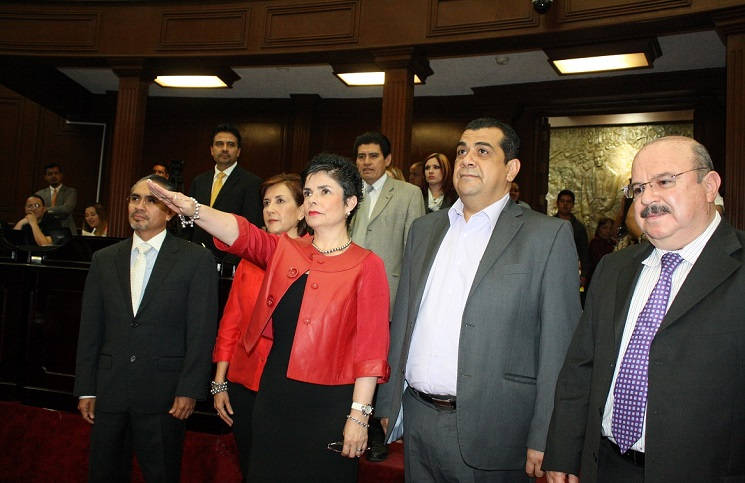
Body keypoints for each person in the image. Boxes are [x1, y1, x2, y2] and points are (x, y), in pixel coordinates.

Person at [148, 153, 390, 482]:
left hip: (330, 404)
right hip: (274, 396)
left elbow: (371, 351)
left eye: (325, 191)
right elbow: (243, 234)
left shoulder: (367, 264)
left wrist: (359, 416)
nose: (313, 200)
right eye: (308, 192)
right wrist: (194, 208)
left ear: (350, 203)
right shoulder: (286, 250)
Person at [377, 118, 582, 482]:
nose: (467, 159)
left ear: (511, 169)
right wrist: (388, 401)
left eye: (483, 151)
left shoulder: (546, 236)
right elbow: (404, 320)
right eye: (461, 151)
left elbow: (559, 348)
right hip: (417, 419)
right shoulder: (424, 230)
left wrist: (548, 434)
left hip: (497, 431)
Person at [543, 136, 745, 483]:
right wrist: (563, 452)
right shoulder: (613, 269)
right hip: (604, 466)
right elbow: (581, 368)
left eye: (664, 181)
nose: (647, 199)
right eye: (638, 189)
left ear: (710, 186)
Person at [74, 175, 218, 483]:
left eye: (151, 200)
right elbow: (90, 329)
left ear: (170, 211)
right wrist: (86, 387)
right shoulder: (103, 259)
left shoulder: (196, 260)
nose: (139, 206)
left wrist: (189, 389)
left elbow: (201, 331)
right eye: (134, 198)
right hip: (110, 391)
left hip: (165, 395)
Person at [211, 173, 307, 479]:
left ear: (302, 210)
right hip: (244, 382)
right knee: (251, 467)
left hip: (290, 385)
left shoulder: (316, 260)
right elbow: (231, 322)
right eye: (266, 203)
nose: (270, 209)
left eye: (280, 201)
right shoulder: (248, 260)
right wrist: (220, 381)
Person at [349, 131, 425, 461]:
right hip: (348, 293)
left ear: (388, 159)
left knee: (382, 365)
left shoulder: (408, 193)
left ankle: (379, 432)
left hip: (389, 294)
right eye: (361, 156)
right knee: (350, 361)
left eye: (373, 156)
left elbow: (415, 250)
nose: (366, 162)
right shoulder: (347, 191)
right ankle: (350, 423)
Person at [188, 123, 263, 267]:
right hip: (196, 258)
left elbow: (251, 226)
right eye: (219, 144)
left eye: (231, 145)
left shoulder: (252, 183)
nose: (224, 149)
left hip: (230, 261)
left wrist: (230, 262)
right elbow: (188, 221)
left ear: (238, 151)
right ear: (211, 150)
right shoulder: (199, 181)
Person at [555, 189, 591, 289]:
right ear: (557, 203)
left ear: (573, 205)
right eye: (562, 201)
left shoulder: (579, 227)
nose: (565, 204)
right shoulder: (550, 224)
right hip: (553, 268)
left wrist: (584, 274)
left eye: (568, 202)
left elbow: (584, 252)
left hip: (572, 269)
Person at [35, 163, 78, 234]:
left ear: (61, 175)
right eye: (50, 174)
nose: (53, 176)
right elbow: (37, 211)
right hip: (45, 230)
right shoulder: (39, 194)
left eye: (56, 173)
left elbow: (67, 209)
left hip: (66, 229)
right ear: (45, 177)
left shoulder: (70, 191)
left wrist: (45, 209)